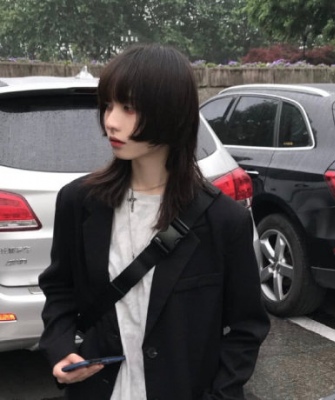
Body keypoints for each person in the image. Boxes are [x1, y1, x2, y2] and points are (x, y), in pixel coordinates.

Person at [39, 43, 270, 400]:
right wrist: (60, 348)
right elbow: (59, 289)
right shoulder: (79, 202)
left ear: (170, 113)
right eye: (108, 105)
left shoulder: (224, 220)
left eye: (128, 108)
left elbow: (246, 328)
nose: (110, 121)